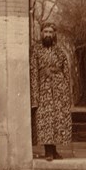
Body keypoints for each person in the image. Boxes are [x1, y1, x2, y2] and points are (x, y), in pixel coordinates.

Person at [30, 22, 72, 160]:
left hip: (59, 89)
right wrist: (35, 95)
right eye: (45, 32)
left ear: (54, 34)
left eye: (50, 32)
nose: (48, 34)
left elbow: (66, 71)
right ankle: (47, 151)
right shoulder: (35, 50)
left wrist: (66, 91)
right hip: (43, 89)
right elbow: (33, 72)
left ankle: (54, 150)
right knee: (45, 118)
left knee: (56, 119)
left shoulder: (59, 51)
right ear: (41, 33)